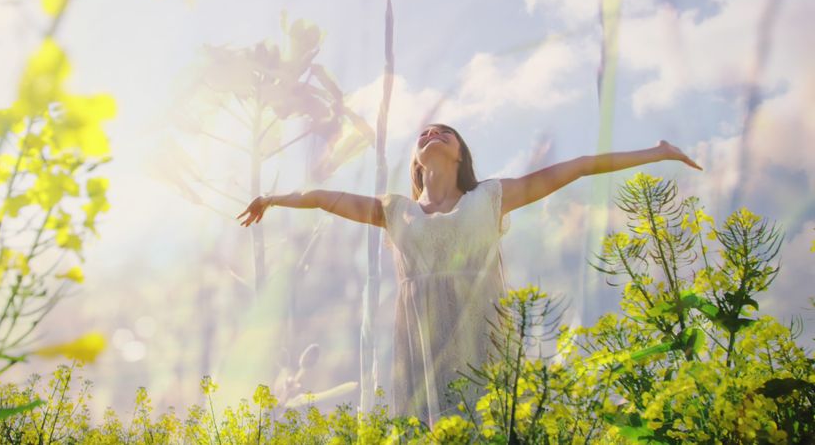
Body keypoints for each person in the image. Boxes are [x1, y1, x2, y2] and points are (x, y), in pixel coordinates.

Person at [236, 123, 703, 426]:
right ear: (417, 162)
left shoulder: (490, 198)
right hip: (421, 343)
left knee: (492, 421)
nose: (432, 134)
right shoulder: (394, 210)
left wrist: (657, 152)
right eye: (423, 133)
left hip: (482, 332)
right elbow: (324, 197)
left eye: (445, 132)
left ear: (460, 154)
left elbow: (577, 168)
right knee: (426, 428)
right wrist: (276, 199)